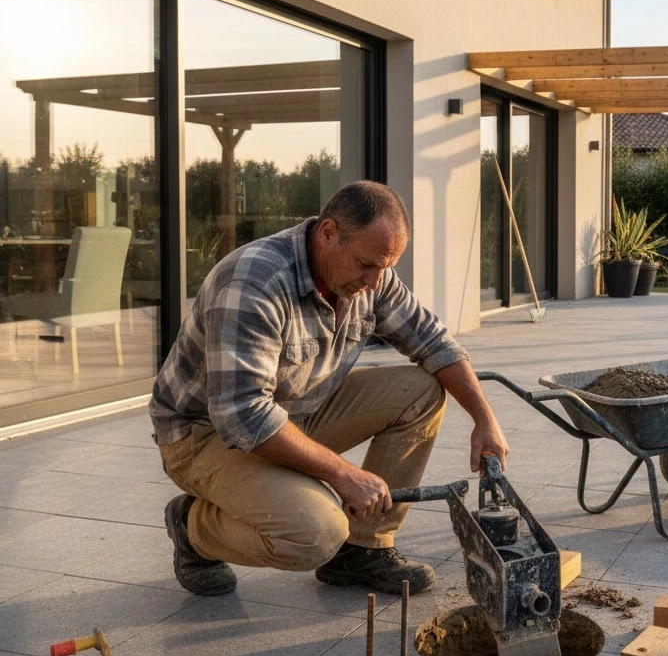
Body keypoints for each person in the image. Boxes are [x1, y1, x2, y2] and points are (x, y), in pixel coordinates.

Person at [150, 181, 509, 597]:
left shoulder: (372, 275)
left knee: (421, 390)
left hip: (296, 410)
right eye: (366, 264)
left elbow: (434, 342)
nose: (376, 281)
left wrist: (485, 420)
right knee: (316, 533)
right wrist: (344, 475)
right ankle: (193, 527)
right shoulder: (253, 282)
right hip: (204, 434)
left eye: (385, 267)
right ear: (328, 233)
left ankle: (364, 548)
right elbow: (244, 415)